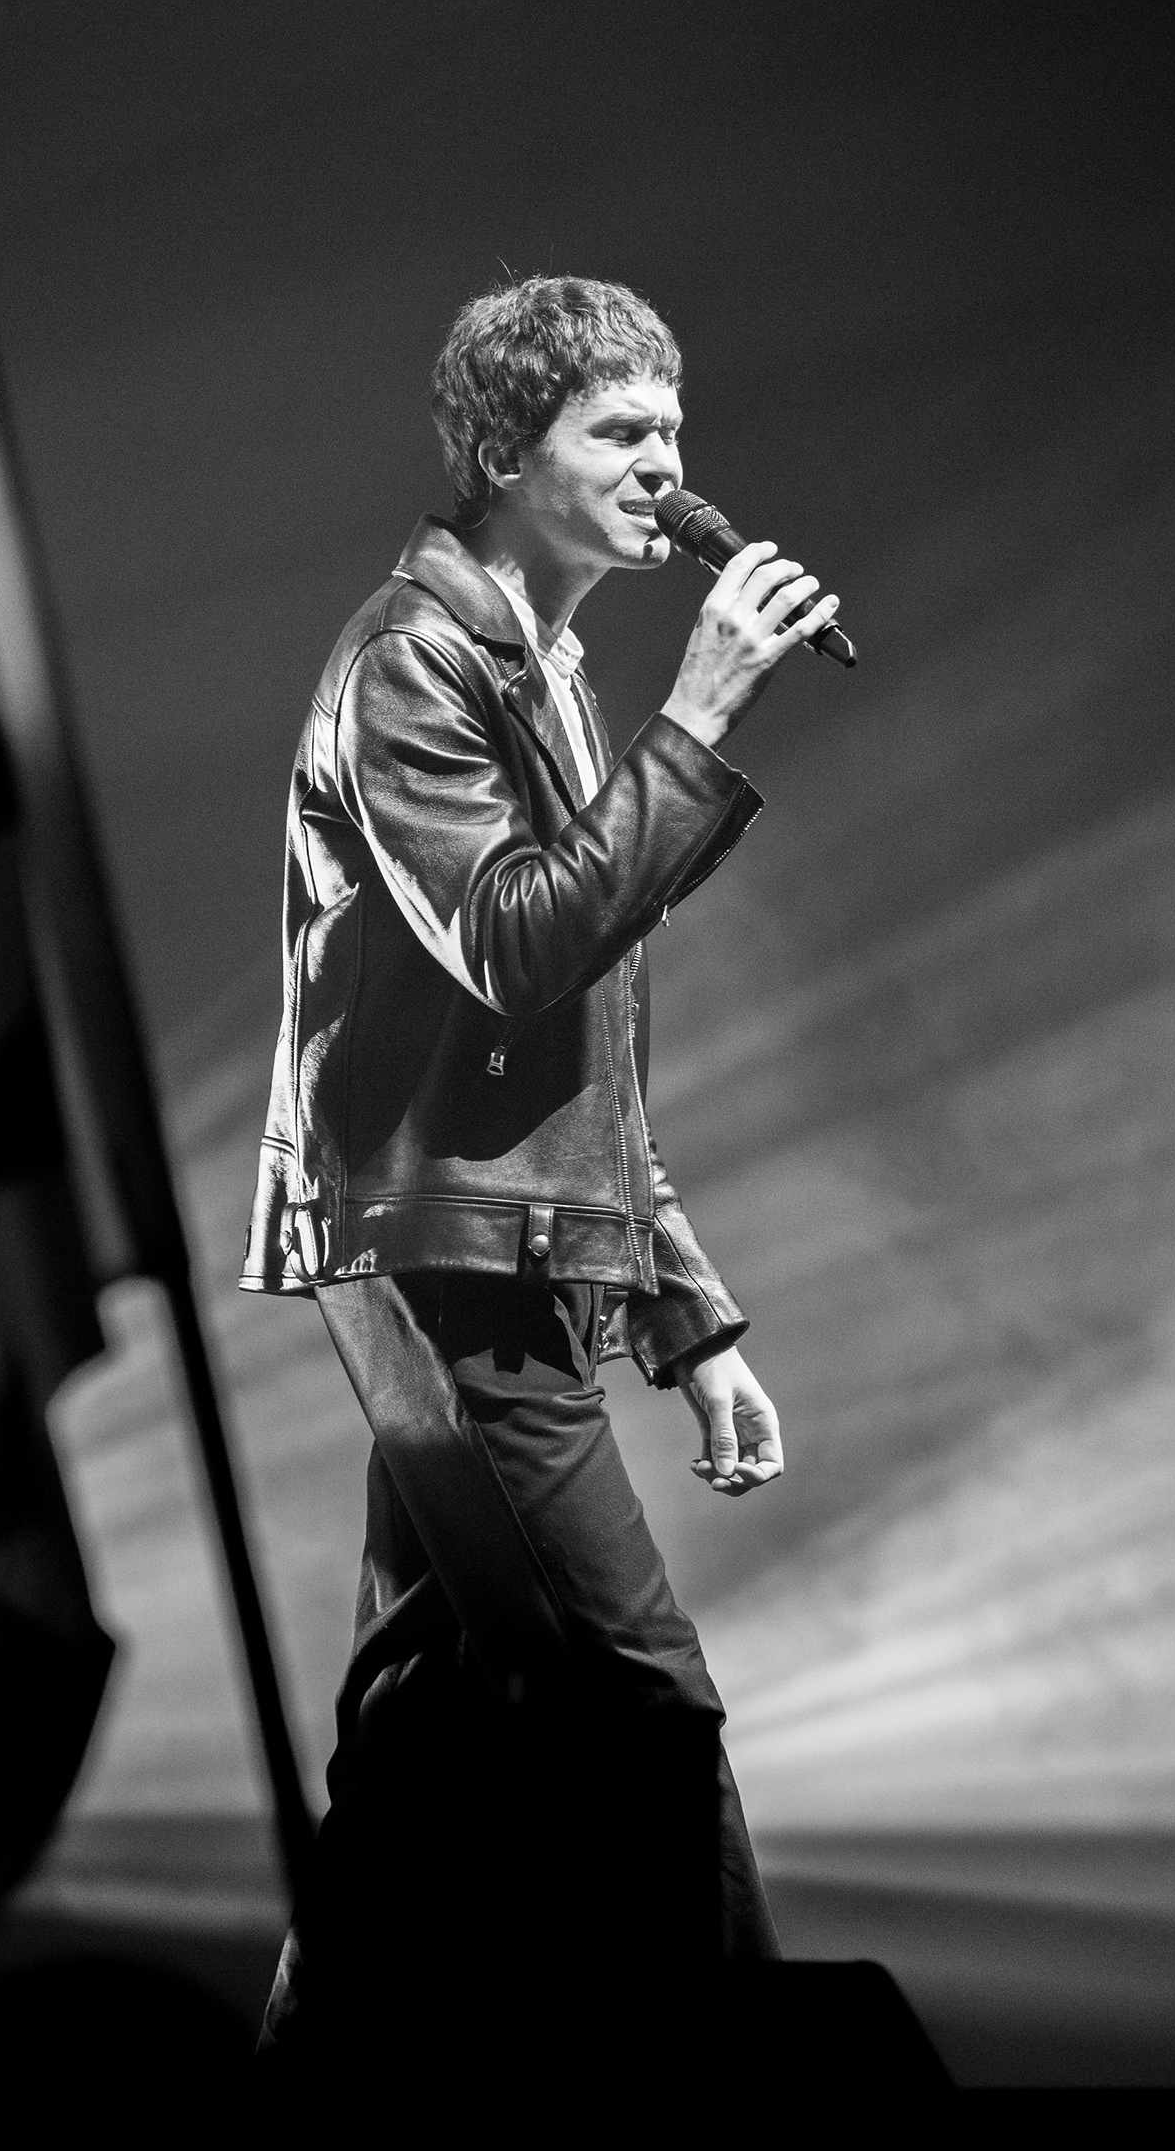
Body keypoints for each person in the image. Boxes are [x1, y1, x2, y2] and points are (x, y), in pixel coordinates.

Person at [242, 273, 838, 2059]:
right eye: (622, 430)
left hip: (511, 1242)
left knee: (429, 1721)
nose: (669, 466)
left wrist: (687, 1316)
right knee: (644, 1705)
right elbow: (514, 944)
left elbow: (587, 1053)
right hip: (444, 1259)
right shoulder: (412, 661)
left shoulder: (545, 667)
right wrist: (702, 714)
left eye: (675, 429)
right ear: (508, 450)